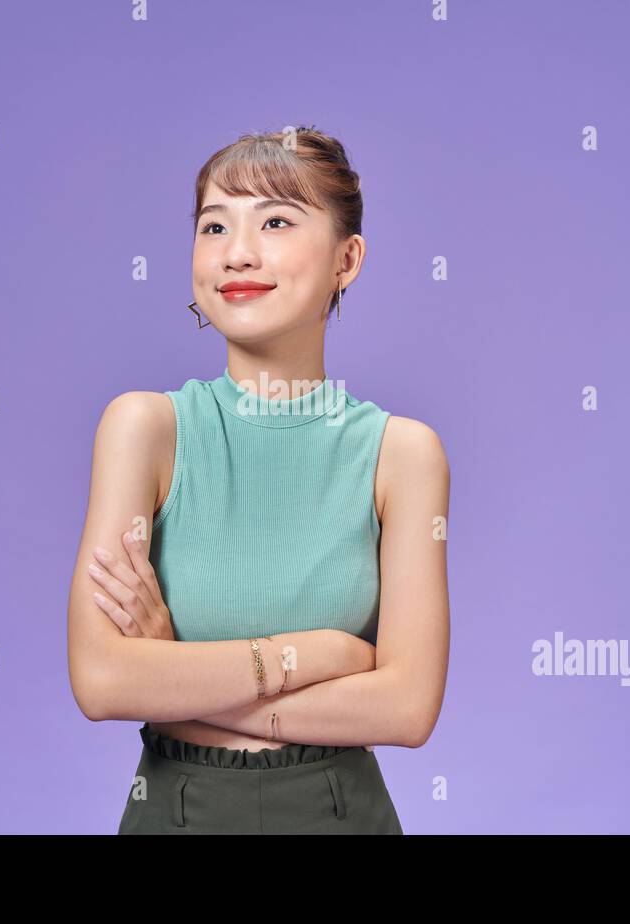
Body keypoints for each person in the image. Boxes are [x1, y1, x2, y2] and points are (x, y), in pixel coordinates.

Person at [66, 126, 450, 834]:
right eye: (214, 225)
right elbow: (101, 681)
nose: (237, 251)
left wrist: (178, 671)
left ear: (348, 257)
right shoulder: (145, 429)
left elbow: (408, 708)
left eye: (275, 220)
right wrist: (321, 656)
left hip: (341, 816)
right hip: (176, 814)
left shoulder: (402, 454)